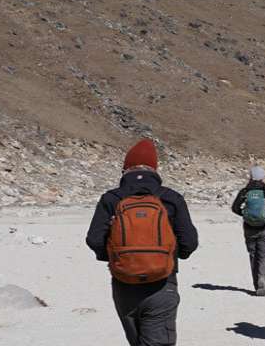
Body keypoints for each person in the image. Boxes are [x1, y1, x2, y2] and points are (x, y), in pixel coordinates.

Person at [86, 138, 201, 346]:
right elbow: (189, 242)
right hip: (163, 282)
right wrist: (171, 256)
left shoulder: (111, 199)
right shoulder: (171, 198)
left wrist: (116, 257)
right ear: (155, 168)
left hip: (124, 283)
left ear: (125, 169)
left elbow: (94, 239)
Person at [231, 165, 265, 297]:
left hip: (249, 228)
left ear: (250, 176)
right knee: (264, 255)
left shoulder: (245, 191)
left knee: (253, 255)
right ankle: (262, 278)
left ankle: (256, 284)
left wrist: (245, 214)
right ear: (263, 177)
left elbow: (235, 208)